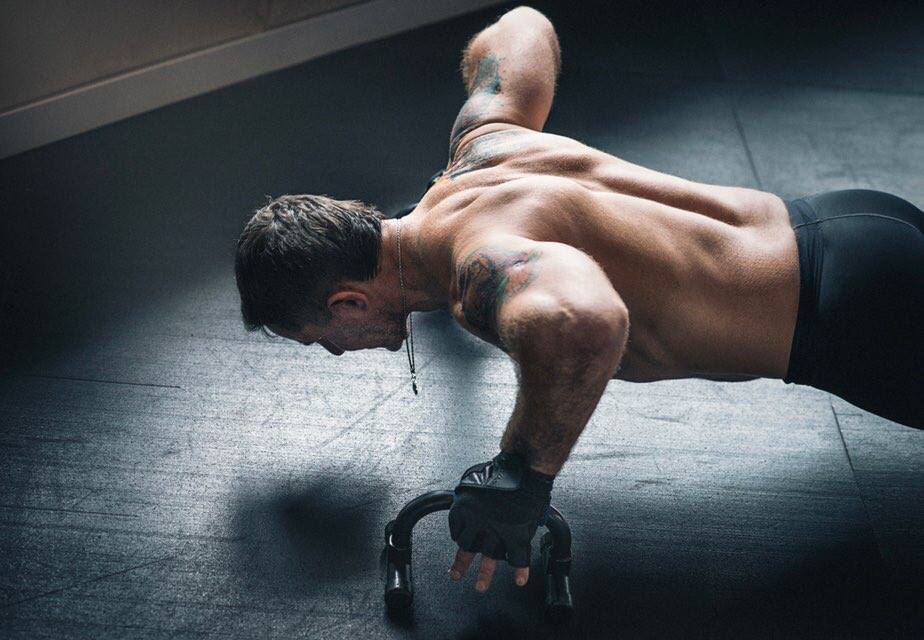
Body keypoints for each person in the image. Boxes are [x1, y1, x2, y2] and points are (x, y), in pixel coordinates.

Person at [234, 6, 923, 595]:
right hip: (845, 222)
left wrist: (520, 477)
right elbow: (523, 25)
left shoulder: (478, 268)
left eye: (319, 337)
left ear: (349, 302)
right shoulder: (480, 148)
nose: (334, 351)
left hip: (860, 316)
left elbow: (584, 321)